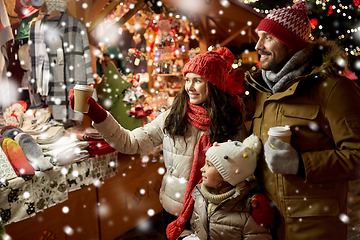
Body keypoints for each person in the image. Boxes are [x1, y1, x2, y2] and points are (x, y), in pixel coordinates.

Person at [69, 47, 248, 238]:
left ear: (214, 84)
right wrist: (97, 114)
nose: (190, 87)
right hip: (174, 213)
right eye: (187, 79)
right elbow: (130, 142)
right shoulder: (174, 116)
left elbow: (242, 172)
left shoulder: (231, 122)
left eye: (198, 80)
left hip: (215, 214)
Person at [244, 1, 360, 239]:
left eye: (268, 37)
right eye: (259, 37)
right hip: (268, 227)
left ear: (290, 43)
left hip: (314, 229)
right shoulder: (262, 91)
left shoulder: (333, 89)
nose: (258, 46)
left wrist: (300, 164)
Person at [174, 134, 273, 240]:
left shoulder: (248, 214)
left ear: (225, 175)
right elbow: (193, 229)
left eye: (209, 165)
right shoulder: (199, 197)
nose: (202, 169)